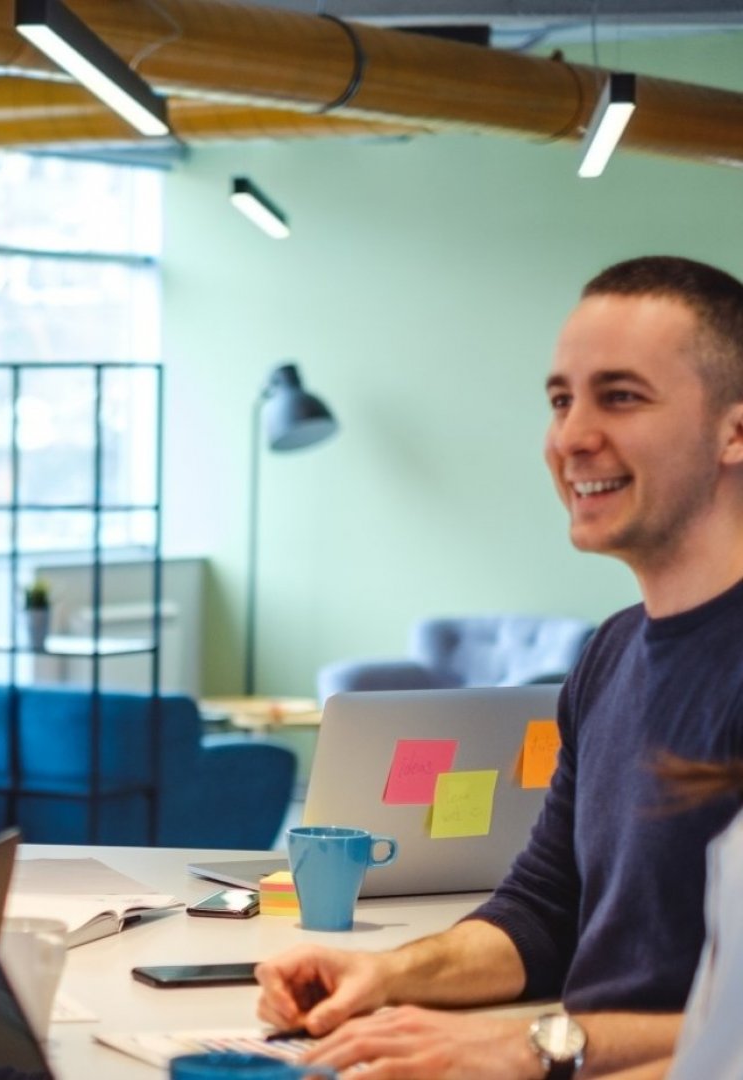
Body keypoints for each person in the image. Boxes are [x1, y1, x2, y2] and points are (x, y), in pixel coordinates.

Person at [255, 255, 743, 1079]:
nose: (571, 437)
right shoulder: (612, 654)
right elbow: (543, 912)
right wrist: (388, 975)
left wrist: (535, 1049)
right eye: (561, 400)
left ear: (735, 428)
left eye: (620, 396)